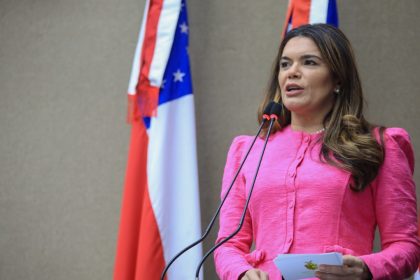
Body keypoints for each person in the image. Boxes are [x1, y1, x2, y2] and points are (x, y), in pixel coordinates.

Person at [214, 24, 419, 280]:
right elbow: (228, 244)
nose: (292, 73)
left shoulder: (379, 145)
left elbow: (406, 245)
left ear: (338, 79)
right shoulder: (249, 150)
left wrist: (366, 269)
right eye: (285, 64)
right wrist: (241, 273)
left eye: (309, 62)